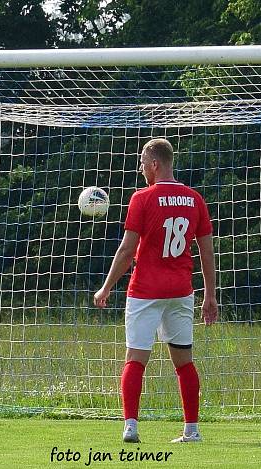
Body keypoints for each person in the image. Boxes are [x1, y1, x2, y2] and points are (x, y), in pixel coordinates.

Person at [93, 138, 217, 444]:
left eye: (142, 162)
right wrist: (210, 296)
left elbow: (126, 251)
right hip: (180, 291)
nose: (140, 168)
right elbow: (207, 252)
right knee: (184, 361)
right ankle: (191, 430)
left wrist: (106, 287)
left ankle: (131, 427)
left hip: (146, 291)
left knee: (135, 358)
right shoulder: (195, 199)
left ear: (155, 164)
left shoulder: (141, 198)